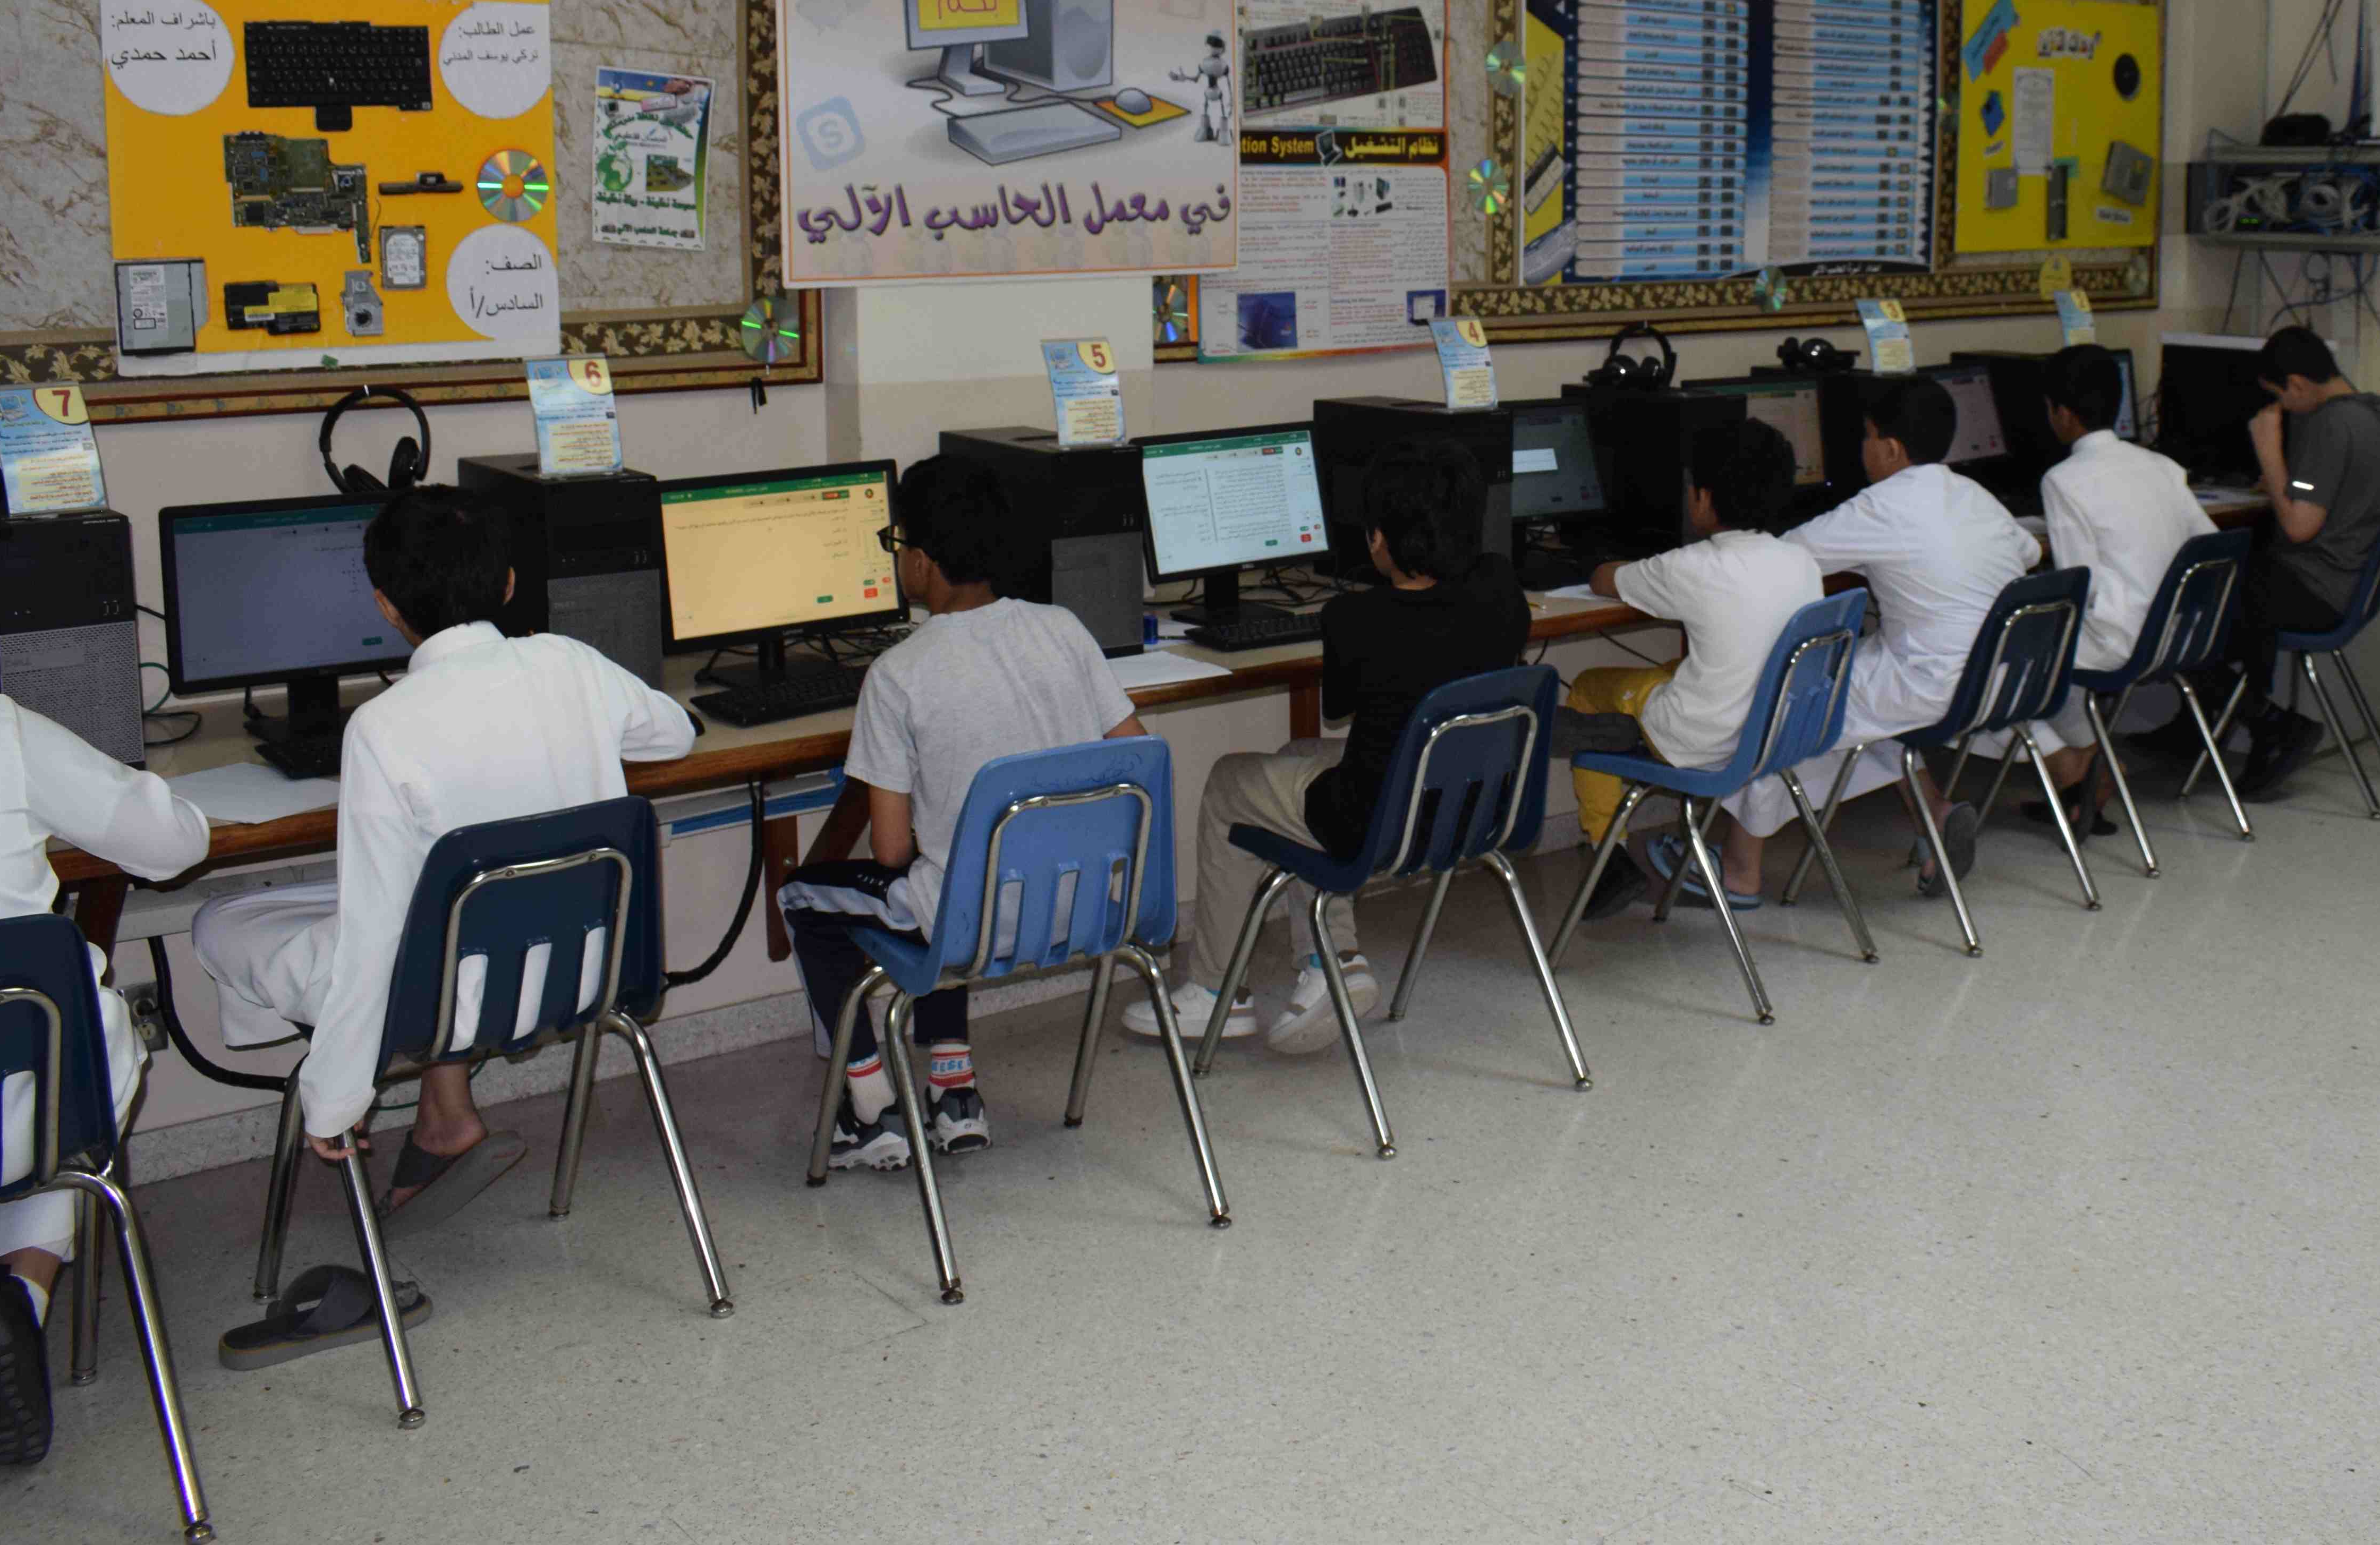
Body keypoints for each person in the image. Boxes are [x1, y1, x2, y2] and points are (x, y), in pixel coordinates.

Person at [191, 489, 693, 1225]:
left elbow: (372, 935)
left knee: (220, 920)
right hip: (591, 972)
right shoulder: (569, 661)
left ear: (386, 607)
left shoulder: (382, 726)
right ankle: (445, 1112)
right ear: (510, 584)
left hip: (443, 1001)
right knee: (445, 901)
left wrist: (335, 1094)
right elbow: (675, 734)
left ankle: (387, 1079)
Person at [0, 541, 209, 1468]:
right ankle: (22, 1289)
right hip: (15, 1130)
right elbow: (174, 845)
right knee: (84, 1036)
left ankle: (16, 1291)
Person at [778, 459, 1144, 1167]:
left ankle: (871, 1108)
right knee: (944, 871)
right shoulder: (1064, 629)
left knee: (809, 895)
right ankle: (955, 1093)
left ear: (921, 561)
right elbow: (1136, 756)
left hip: (972, 924)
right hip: (1085, 908)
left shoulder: (898, 674)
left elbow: (889, 852)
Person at [1142, 438, 1530, 1054]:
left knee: (1228, 781)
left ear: (1378, 540)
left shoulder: (1357, 620)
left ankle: (1216, 991)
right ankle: (1334, 960)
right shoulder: (1502, 589)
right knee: (1298, 755)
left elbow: (1339, 705)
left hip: (1376, 822)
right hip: (1466, 811)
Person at [1719, 375, 2035, 898]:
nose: (1861, 448)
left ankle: (1739, 870)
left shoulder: (1881, 506)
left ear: (1889, 448)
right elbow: (2028, 551)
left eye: (1866, 436)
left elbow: (1781, 558)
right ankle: (1935, 813)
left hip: (1932, 684)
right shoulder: (1973, 494)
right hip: (2001, 678)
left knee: (1796, 699)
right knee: (1860, 684)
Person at [1565, 417, 1825, 914]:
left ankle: (1607, 853)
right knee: (1677, 665)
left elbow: (1604, 581)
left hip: (1701, 739)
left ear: (1703, 498)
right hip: (1778, 735)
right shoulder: (1802, 563)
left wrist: (1600, 558)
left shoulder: (1692, 566)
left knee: (1587, 687)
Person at [1998, 344, 2215, 848]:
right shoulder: (2162, 466)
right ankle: (2082, 774)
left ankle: (2085, 763)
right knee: (2052, 652)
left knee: (2004, 656)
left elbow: (2081, 583)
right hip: (2180, 637)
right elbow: (2209, 546)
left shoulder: (2063, 480)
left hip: (2123, 642)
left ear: (2061, 413)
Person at [2216, 326, 2380, 799]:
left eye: (2280, 397)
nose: (2281, 409)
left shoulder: (2329, 426)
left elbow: (2299, 527)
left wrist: (2269, 452)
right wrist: (2289, 479)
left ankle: (2271, 724)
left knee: (2198, 608)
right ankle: (2209, 728)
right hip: (2350, 584)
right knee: (2237, 588)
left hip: (2314, 588)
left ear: (2299, 384)